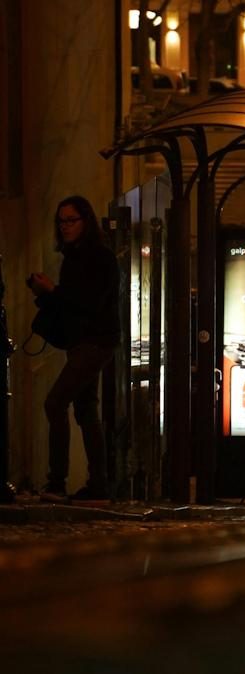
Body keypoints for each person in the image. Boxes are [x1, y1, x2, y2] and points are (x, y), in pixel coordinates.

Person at [28, 196, 120, 501]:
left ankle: (58, 481)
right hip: (82, 341)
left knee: (55, 403)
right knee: (85, 409)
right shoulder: (73, 257)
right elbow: (69, 304)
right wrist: (46, 294)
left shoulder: (100, 258)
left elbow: (88, 303)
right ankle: (99, 485)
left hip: (95, 341)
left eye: (71, 220)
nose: (65, 226)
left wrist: (53, 291)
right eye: (61, 221)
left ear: (86, 222)